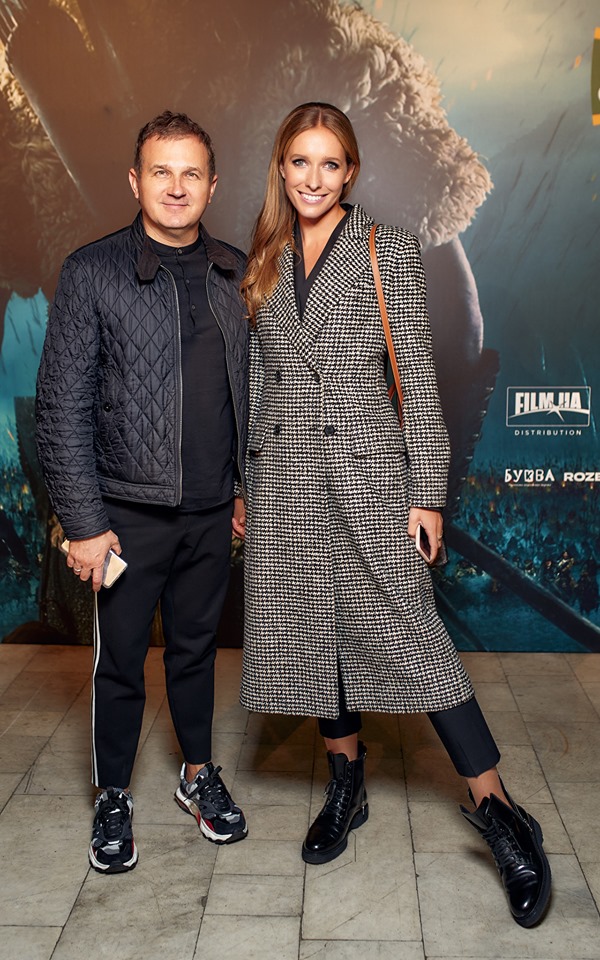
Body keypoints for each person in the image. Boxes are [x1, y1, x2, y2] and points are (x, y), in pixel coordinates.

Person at [239, 102, 551, 928]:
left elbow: (417, 375)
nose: (313, 178)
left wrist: (427, 494)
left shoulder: (386, 247)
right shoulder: (265, 254)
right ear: (281, 168)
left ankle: (501, 814)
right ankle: (347, 783)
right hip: (285, 478)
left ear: (350, 171)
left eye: (329, 163)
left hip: (370, 476)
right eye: (299, 162)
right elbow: (260, 380)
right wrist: (247, 485)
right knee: (315, 632)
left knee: (416, 639)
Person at [35, 111, 249, 873]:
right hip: (125, 517)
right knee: (120, 661)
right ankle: (114, 794)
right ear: (135, 181)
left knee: (196, 652)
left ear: (213, 185)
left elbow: (253, 394)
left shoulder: (236, 272)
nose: (176, 187)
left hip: (211, 512)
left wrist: (245, 489)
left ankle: (197, 775)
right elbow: (61, 406)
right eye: (161, 171)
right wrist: (84, 523)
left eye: (191, 173)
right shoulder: (91, 271)